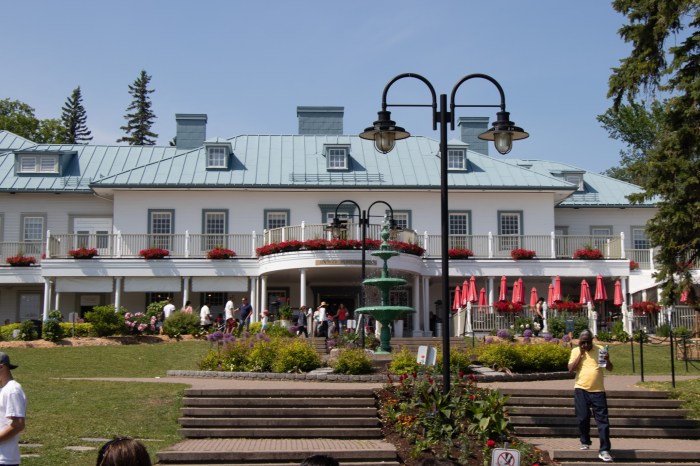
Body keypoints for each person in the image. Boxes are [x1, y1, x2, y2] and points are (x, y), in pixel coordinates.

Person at [568, 329, 614, 462]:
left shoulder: (600, 349)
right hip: (581, 389)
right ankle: (585, 440)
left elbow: (609, 368)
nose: (586, 345)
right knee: (583, 418)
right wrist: (581, 354)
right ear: (579, 341)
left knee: (603, 422)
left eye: (588, 342)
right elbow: (570, 369)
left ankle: (604, 450)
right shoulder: (575, 351)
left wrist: (607, 360)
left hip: (598, 390)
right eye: (583, 342)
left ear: (592, 340)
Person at [0, 352, 26, 466]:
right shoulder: (4, 390)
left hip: (5, 459)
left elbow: (18, 424)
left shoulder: (12, 390)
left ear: (1, 367)